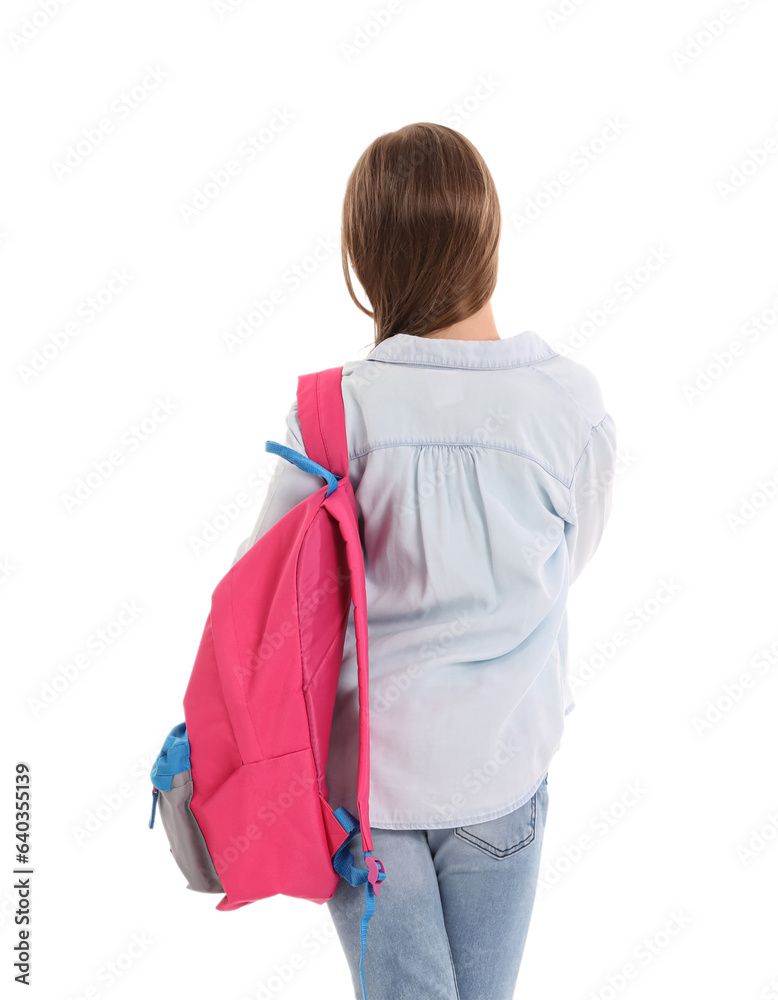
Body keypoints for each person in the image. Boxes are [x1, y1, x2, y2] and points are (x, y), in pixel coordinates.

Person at [232, 122, 617, 1000]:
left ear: (367, 263)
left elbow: (266, 596)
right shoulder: (570, 408)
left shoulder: (338, 415)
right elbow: (570, 562)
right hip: (501, 775)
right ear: (487, 238)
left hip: (366, 795)